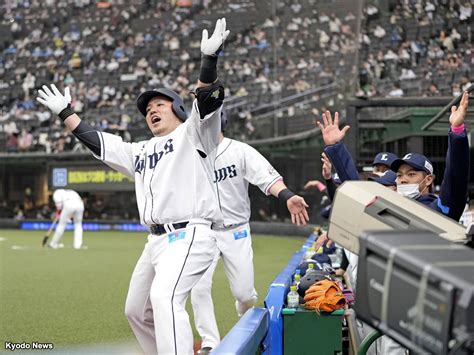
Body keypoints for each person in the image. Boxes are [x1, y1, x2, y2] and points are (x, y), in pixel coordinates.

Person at [37, 18, 230, 355]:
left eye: (159, 104)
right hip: (155, 241)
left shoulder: (194, 133)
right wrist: (66, 112)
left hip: (191, 234)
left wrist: (208, 62)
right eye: (147, 108)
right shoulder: (139, 151)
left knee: (165, 297)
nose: (151, 110)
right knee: (136, 310)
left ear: (179, 110)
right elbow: (98, 143)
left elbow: (208, 100)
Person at [190, 113, 309, 353]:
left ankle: (245, 324)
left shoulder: (239, 150)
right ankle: (210, 341)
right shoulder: (190, 155)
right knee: (199, 287)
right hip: (202, 230)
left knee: (245, 295)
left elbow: (267, 178)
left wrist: (287, 196)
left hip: (235, 231)